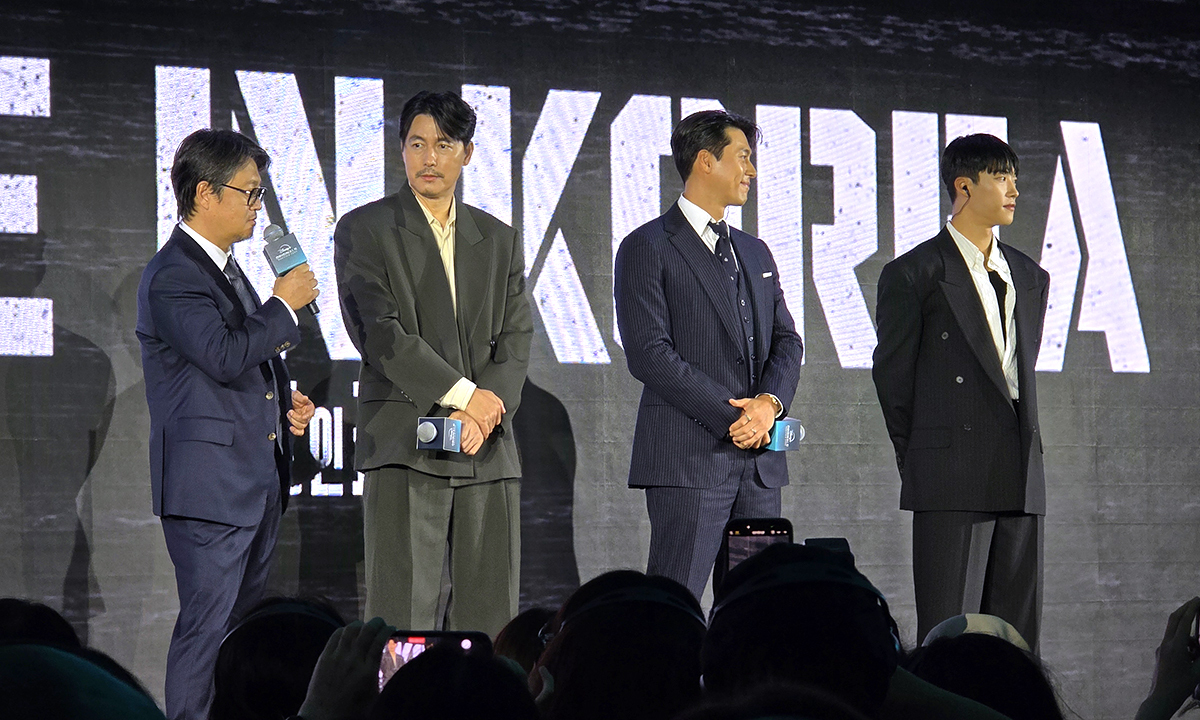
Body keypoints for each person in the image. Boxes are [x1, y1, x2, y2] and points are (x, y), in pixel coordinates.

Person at [136, 128, 319, 720]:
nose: (258, 206)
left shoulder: (228, 269)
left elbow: (242, 361)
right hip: (210, 489)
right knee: (207, 630)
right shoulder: (174, 274)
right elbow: (219, 353)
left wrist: (284, 399)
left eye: (260, 193)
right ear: (205, 193)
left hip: (253, 483)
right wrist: (283, 304)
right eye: (249, 192)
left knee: (239, 637)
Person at [334, 90, 532, 636]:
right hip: (405, 443)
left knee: (490, 622)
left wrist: (483, 412)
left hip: (485, 447)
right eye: (417, 144)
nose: (429, 158)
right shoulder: (365, 228)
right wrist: (468, 398)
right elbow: (379, 334)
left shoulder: (499, 238)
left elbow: (517, 336)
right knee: (403, 622)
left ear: (466, 153)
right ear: (401, 149)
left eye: (443, 145)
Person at [613, 110, 804, 601]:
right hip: (689, 461)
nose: (751, 171)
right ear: (705, 161)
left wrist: (768, 406)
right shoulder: (647, 246)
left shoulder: (755, 252)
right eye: (742, 157)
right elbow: (649, 354)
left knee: (756, 610)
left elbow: (788, 340)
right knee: (671, 607)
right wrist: (734, 417)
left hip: (759, 465)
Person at [871, 133, 1050, 651]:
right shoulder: (915, 273)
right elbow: (893, 380)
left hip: (1019, 473)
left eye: (1015, 177)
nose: (1014, 189)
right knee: (949, 635)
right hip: (949, 474)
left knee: (1016, 643)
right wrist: (921, 457)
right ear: (964, 187)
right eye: (1001, 177)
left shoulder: (1029, 275)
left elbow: (1017, 375)